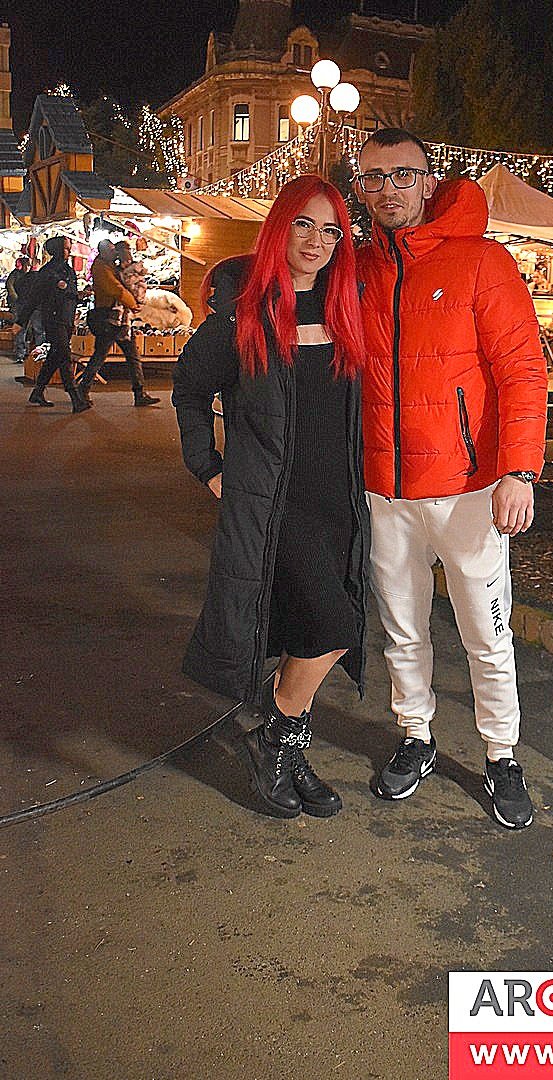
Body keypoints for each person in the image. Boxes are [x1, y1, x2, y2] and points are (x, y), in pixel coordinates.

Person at [353, 128, 548, 829]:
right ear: (361, 186)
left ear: (428, 180)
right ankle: (416, 736)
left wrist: (519, 469)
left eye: (402, 174)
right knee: (402, 628)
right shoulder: (360, 267)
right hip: (385, 488)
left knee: (485, 635)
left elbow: (523, 370)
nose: (388, 189)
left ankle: (501, 754)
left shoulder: (482, 260)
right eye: (373, 177)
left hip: (469, 489)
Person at [172, 174, 368, 820]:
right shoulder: (243, 313)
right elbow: (189, 390)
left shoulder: (344, 308)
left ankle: (287, 746)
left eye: (331, 231)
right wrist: (208, 467)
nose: (316, 242)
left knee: (309, 627)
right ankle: (276, 732)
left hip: (337, 504)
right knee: (336, 627)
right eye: (304, 225)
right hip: (274, 506)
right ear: (280, 226)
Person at [76, 239, 158, 407]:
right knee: (108, 355)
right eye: (111, 250)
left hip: (118, 319)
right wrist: (133, 303)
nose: (114, 253)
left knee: (122, 355)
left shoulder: (110, 266)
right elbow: (115, 289)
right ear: (103, 252)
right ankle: (83, 389)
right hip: (109, 318)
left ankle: (139, 392)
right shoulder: (101, 268)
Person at [15, 237, 89, 413]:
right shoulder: (47, 272)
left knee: (55, 356)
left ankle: (37, 392)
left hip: (66, 320)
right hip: (54, 320)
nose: (69, 251)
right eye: (66, 248)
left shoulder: (67, 269)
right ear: (57, 250)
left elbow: (68, 294)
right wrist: (20, 321)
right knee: (64, 356)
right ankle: (76, 398)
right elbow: (34, 298)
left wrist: (79, 295)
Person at [6, 256, 31, 363]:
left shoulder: (29, 275)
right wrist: (15, 298)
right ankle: (20, 353)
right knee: (20, 329)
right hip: (18, 305)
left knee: (26, 329)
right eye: (26, 265)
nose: (27, 267)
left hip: (27, 305)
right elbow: (9, 286)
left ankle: (24, 352)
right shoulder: (15, 274)